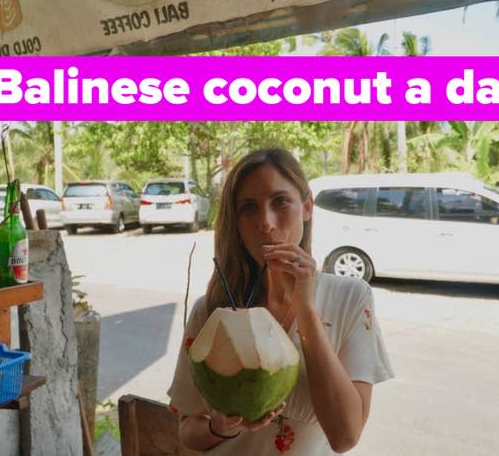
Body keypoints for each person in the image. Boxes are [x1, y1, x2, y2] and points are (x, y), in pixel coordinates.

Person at [168, 148, 393, 454]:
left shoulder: (351, 298)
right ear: (236, 222)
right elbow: (187, 431)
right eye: (249, 208)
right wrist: (217, 427)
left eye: (280, 202)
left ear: (308, 206)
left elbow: (345, 436)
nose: (266, 223)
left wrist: (306, 309)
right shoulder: (212, 310)